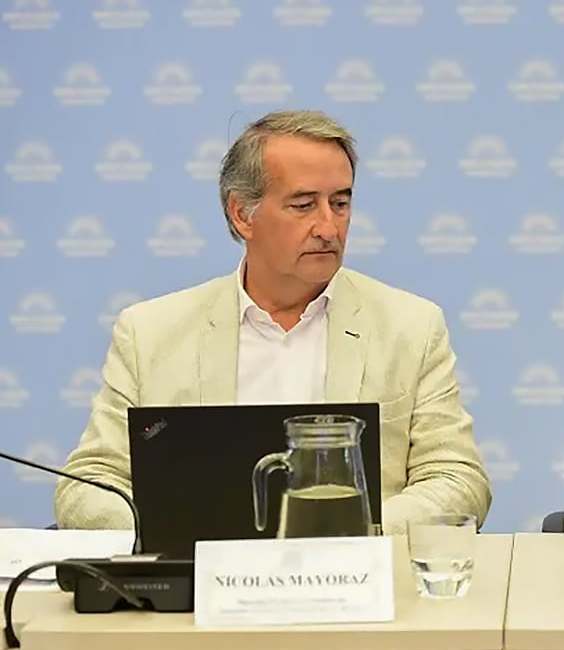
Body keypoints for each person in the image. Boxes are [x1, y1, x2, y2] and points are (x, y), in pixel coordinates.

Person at [55, 109, 492, 534]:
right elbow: (88, 485)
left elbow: (457, 480)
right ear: (242, 214)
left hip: (359, 573)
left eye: (340, 203)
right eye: (304, 205)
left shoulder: (411, 327)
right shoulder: (150, 333)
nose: (329, 228)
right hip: (197, 580)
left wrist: (353, 531)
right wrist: (173, 531)